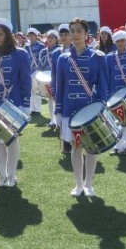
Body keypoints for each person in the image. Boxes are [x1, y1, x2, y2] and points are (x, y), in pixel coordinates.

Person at [55, 18, 107, 197]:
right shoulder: (62, 58)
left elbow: (102, 86)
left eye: (78, 31)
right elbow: (59, 87)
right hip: (70, 109)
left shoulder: (97, 57)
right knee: (75, 147)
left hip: (90, 111)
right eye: (72, 31)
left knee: (91, 148)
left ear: (86, 34)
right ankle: (78, 184)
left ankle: (89, 184)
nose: (75, 34)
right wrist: (59, 111)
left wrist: (102, 109)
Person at [0, 18, 31, 187]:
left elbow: (26, 81)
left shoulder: (21, 54)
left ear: (8, 35)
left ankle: (12, 175)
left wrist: (26, 104)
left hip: (13, 103)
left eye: (1, 34)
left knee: (12, 139)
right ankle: (2, 175)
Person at [50, 23, 72, 154]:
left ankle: (74, 140)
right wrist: (53, 90)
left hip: (73, 86)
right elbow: (53, 73)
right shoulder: (56, 53)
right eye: (61, 35)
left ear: (70, 35)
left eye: (66, 35)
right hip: (60, 87)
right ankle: (66, 142)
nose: (63, 37)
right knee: (61, 114)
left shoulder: (77, 49)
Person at [38, 29, 60, 127]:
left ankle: (59, 120)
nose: (49, 39)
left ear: (56, 39)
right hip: (47, 78)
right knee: (50, 98)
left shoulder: (60, 50)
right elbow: (40, 66)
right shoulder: (43, 51)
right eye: (48, 37)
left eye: (52, 37)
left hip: (58, 77)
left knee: (58, 99)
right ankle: (52, 120)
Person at [25, 28, 45, 115]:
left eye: (32, 35)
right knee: (30, 90)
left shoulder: (41, 46)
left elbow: (43, 58)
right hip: (29, 71)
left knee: (37, 90)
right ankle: (31, 108)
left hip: (37, 70)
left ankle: (37, 109)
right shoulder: (26, 47)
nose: (31, 37)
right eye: (30, 35)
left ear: (36, 36)